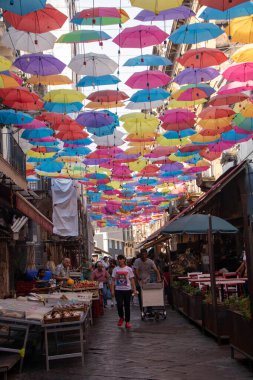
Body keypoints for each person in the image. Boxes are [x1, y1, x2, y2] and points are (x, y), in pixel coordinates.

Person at [111, 255, 137, 329]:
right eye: (118, 259)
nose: (119, 261)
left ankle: (127, 322)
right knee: (119, 305)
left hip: (127, 290)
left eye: (121, 259)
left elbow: (132, 280)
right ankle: (121, 317)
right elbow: (113, 280)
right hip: (118, 290)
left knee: (127, 306)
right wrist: (112, 290)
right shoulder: (115, 269)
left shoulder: (129, 269)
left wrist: (134, 289)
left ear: (124, 260)